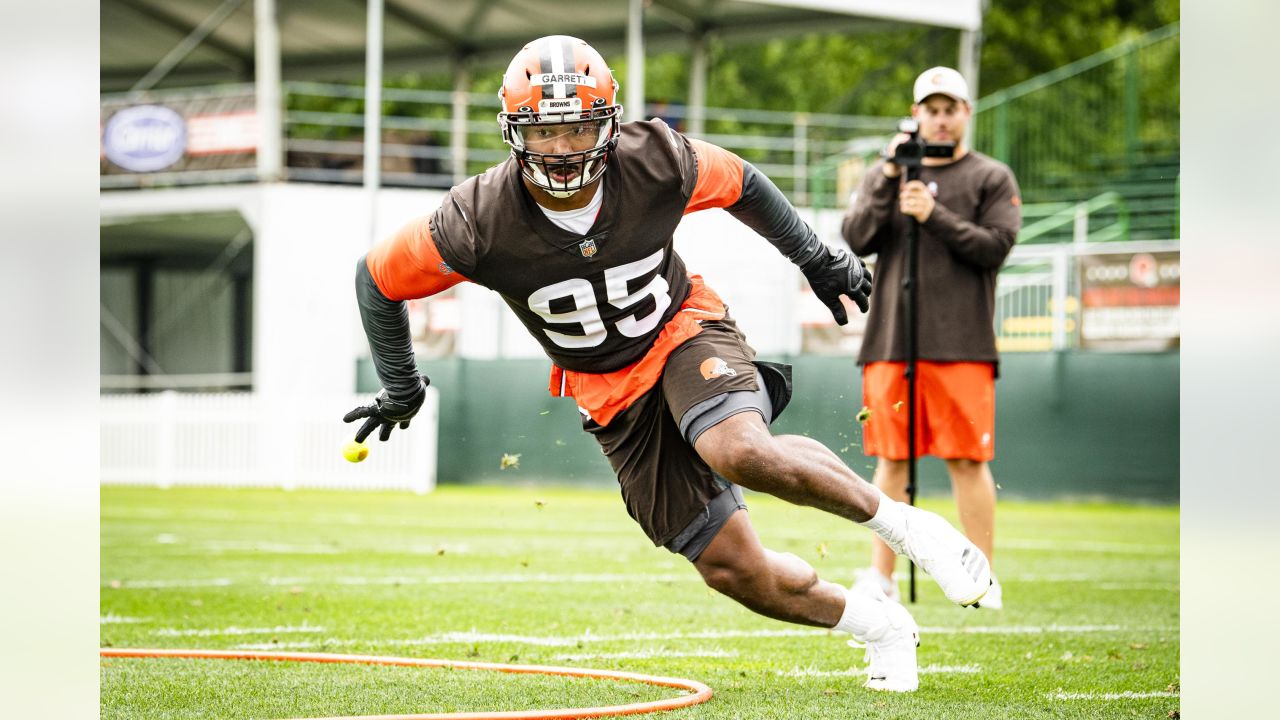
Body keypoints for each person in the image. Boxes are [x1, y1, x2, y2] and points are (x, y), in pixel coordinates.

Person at [344, 37, 991, 693]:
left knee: (736, 448)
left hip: (683, 331)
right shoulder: (476, 218)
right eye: (547, 132)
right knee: (737, 572)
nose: (565, 150)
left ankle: (907, 527)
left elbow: (742, 182)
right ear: (515, 132)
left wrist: (815, 258)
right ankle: (881, 627)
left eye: (577, 128)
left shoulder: (654, 159)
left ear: (609, 123)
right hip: (608, 392)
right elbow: (377, 278)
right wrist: (400, 387)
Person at [841, 67, 1021, 610]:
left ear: (966, 113)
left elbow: (995, 246)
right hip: (893, 340)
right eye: (932, 110)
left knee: (967, 460)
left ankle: (981, 575)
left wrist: (934, 214)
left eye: (951, 109)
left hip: (962, 342)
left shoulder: (991, 176)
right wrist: (888, 173)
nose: (941, 119)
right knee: (892, 460)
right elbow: (856, 236)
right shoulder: (891, 173)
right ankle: (881, 576)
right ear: (917, 115)